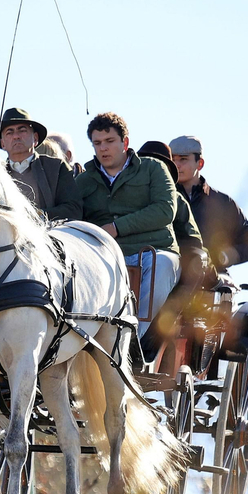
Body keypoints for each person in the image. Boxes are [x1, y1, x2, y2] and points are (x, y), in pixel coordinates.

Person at [75, 113, 178, 334]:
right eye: (97, 143)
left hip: (152, 252)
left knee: (162, 266)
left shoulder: (153, 168)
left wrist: (116, 228)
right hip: (102, 255)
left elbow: (165, 210)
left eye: (110, 141)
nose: (103, 148)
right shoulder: (83, 181)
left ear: (125, 142)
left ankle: (132, 342)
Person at [135, 140, 214, 364]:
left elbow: (193, 243)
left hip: (162, 267)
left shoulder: (176, 200)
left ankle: (149, 340)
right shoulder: (126, 197)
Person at [169, 135, 248, 274]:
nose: (177, 165)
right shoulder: (162, 198)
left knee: (225, 288)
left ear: (200, 164)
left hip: (213, 278)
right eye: (172, 159)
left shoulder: (223, 203)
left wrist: (224, 257)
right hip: (170, 273)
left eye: (183, 159)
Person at [0, 107, 81, 221]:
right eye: (9, 132)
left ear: (35, 138)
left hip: (51, 234)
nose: (16, 136)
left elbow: (73, 209)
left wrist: (39, 215)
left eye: (22, 130)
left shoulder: (56, 167)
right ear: (2, 143)